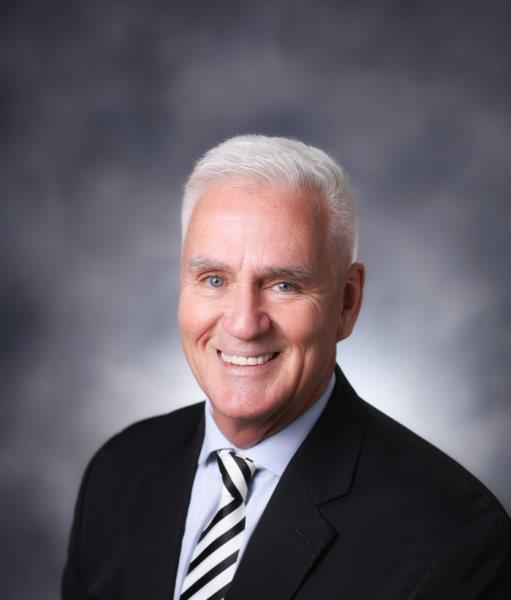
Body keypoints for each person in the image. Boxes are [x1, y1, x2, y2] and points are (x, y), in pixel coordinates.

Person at [62, 135, 511, 600]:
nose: (244, 323)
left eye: (284, 285)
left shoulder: (453, 538)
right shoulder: (118, 471)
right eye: (214, 279)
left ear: (348, 302)